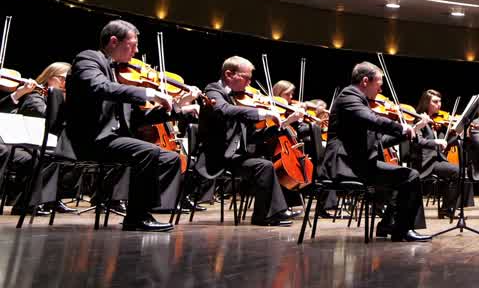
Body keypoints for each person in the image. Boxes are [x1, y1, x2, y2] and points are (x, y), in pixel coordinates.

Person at [66, 20, 198, 231]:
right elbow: (97, 86)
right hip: (90, 139)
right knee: (147, 152)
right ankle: (136, 217)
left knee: (170, 157)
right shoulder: (89, 59)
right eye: (132, 44)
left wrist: (179, 110)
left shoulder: (119, 76)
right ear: (113, 41)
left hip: (111, 139)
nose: (137, 51)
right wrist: (147, 93)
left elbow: (137, 119)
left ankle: (149, 208)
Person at [320, 62, 427, 241]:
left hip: (356, 162)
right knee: (409, 176)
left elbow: (378, 142)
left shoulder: (359, 100)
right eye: (378, 83)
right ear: (365, 81)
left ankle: (388, 225)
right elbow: (372, 120)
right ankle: (401, 230)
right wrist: (400, 127)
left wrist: (410, 131)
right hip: (345, 165)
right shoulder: (349, 97)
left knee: (406, 176)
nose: (381, 88)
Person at [197, 56, 301, 226]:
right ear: (229, 74)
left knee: (265, 165)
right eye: (246, 77)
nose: (249, 83)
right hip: (216, 156)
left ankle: (267, 214)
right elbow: (224, 110)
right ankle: (270, 213)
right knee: (263, 166)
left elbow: (254, 136)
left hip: (235, 156)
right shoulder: (213, 90)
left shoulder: (241, 100)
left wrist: (285, 123)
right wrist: (262, 113)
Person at [1, 63, 71, 215]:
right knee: (45, 157)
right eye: (62, 79)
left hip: (35, 145)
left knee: (61, 155)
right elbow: (50, 119)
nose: (65, 83)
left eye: (68, 80)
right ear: (50, 78)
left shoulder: (54, 97)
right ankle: (30, 203)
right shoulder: (34, 97)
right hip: (20, 143)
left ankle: (44, 201)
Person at [412, 89, 460, 219]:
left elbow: (445, 143)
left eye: (440, 101)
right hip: (425, 161)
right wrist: (435, 141)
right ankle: (447, 208)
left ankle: (447, 208)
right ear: (426, 102)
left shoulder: (435, 121)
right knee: (458, 172)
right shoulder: (418, 118)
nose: (439, 104)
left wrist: (457, 135)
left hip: (437, 160)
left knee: (458, 172)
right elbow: (419, 141)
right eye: (435, 101)